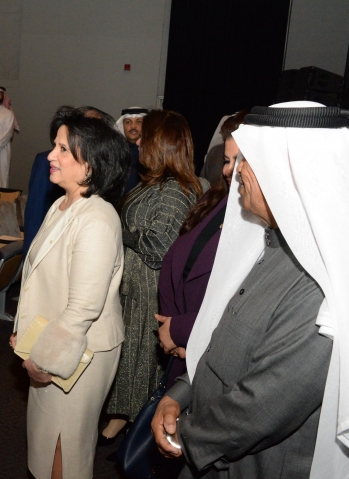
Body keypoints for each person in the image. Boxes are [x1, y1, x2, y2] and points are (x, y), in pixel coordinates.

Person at [151, 103, 349, 479]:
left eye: (248, 161)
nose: (235, 171)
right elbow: (218, 343)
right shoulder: (267, 246)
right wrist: (180, 394)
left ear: (286, 173)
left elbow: (263, 406)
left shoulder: (322, 289)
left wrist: (185, 436)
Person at [10, 111, 129, 479]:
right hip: (57, 343)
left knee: (65, 445)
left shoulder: (97, 218)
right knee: (46, 444)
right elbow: (42, 280)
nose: (51, 155)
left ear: (90, 164)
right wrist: (25, 335)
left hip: (79, 353)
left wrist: (43, 359)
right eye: (54, 146)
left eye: (63, 149)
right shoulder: (63, 205)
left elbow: (83, 308)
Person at [101, 110, 202, 445]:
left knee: (141, 360)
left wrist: (120, 231)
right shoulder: (157, 183)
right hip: (137, 285)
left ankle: (138, 427)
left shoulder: (174, 190)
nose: (138, 141)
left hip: (149, 290)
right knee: (131, 357)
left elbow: (158, 246)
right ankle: (124, 418)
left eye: (146, 137)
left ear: (161, 143)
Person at [156, 110, 247, 394]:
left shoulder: (260, 223)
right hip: (180, 335)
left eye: (238, 161)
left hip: (210, 347)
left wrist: (181, 330)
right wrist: (171, 324)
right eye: (227, 161)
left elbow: (238, 303)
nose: (228, 171)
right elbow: (177, 258)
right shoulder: (215, 198)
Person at [23, 106, 114, 253]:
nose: (51, 156)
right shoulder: (58, 204)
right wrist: (29, 255)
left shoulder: (97, 220)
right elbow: (35, 213)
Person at [114, 107, 148, 196]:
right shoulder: (114, 152)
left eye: (138, 122)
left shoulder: (151, 153)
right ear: (122, 126)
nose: (133, 126)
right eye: (128, 122)